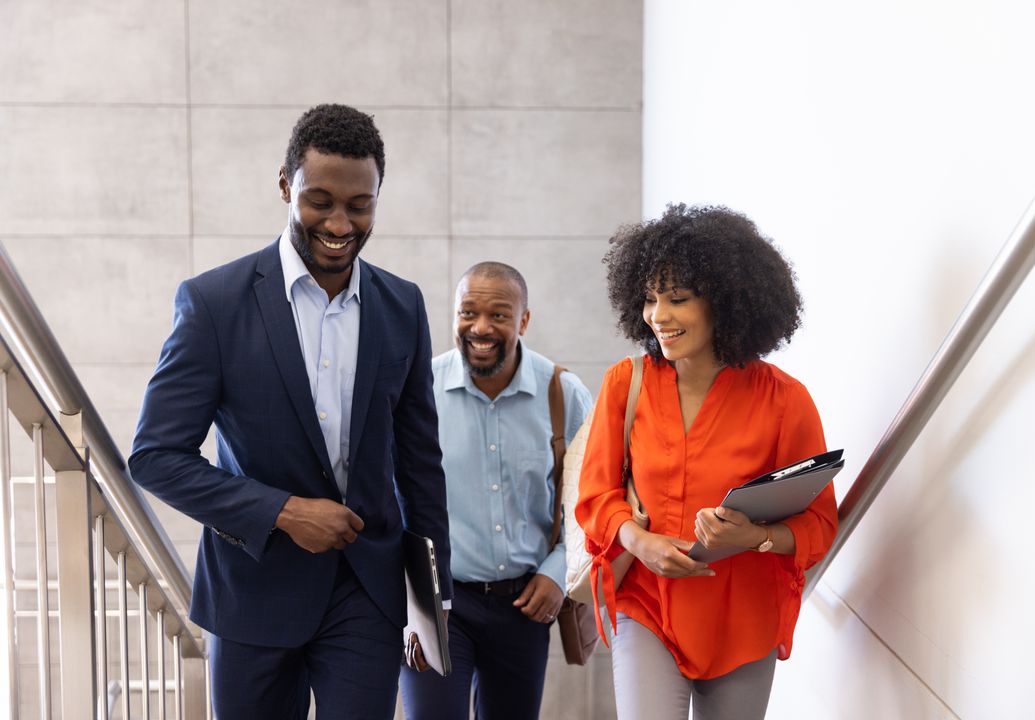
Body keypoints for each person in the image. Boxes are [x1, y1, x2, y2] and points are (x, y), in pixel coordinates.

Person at [128, 104, 452, 720]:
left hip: (367, 593)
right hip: (252, 591)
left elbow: (421, 464)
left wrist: (431, 604)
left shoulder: (402, 305)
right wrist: (281, 511)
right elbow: (155, 457)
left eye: (360, 205)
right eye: (319, 200)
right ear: (285, 186)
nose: (339, 222)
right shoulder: (214, 303)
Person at [575, 204, 838, 720]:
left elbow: (820, 525)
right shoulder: (625, 384)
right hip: (647, 605)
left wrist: (755, 537)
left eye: (678, 300)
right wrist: (639, 541)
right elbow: (596, 498)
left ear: (725, 302)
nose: (658, 317)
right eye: (650, 300)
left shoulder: (786, 400)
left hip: (743, 618)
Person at [399, 262, 592, 720]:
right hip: (440, 605)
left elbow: (592, 501)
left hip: (525, 605)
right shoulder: (418, 390)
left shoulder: (563, 394)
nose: (480, 328)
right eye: (468, 313)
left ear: (524, 320)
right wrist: (412, 603)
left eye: (499, 315)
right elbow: (392, 497)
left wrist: (558, 570)